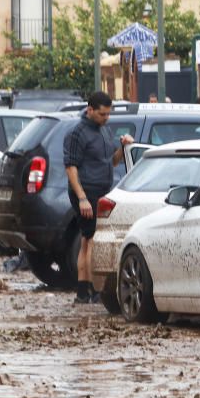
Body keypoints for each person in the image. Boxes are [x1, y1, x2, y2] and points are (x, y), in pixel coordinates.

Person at [63, 91, 133, 304]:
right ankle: (90, 289)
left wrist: (123, 147)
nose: (106, 118)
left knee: (88, 240)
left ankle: (84, 291)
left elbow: (111, 161)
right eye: (102, 114)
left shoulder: (104, 131)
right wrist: (82, 197)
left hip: (102, 191)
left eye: (108, 114)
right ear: (90, 110)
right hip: (86, 192)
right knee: (92, 239)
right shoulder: (77, 133)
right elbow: (71, 168)